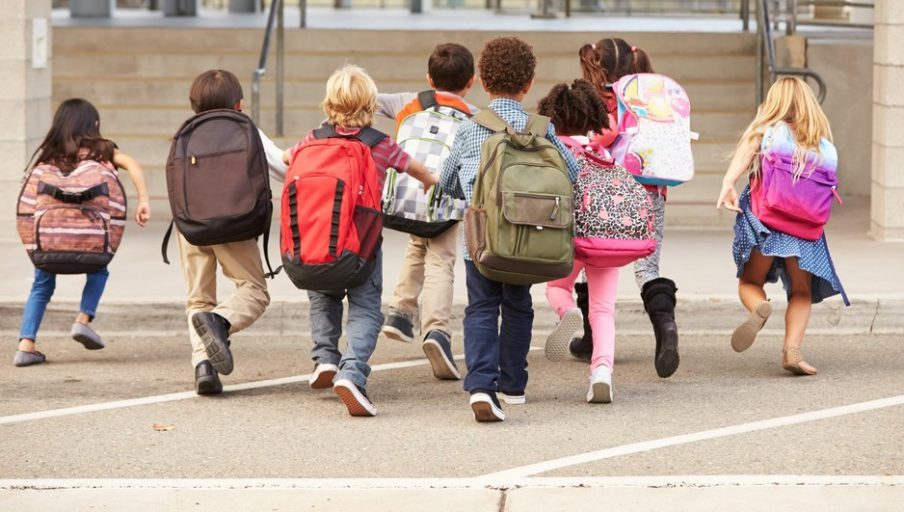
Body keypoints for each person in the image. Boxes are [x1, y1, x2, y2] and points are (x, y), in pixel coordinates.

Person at [284, 64, 437, 417]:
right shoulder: (379, 144)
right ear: (370, 105)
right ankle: (352, 372)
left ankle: (324, 357)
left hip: (317, 242)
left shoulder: (313, 138)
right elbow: (413, 167)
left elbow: (286, 158)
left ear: (329, 104)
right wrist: (429, 180)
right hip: (362, 247)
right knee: (366, 307)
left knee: (323, 296)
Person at [440, 37, 581, 422]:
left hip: (482, 242)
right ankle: (514, 385)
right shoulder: (541, 129)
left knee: (482, 308)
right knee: (518, 306)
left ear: (483, 82)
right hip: (528, 238)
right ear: (528, 84)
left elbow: (447, 180)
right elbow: (574, 175)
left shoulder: (472, 129)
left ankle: (482, 386)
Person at [717, 77, 848, 376]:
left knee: (751, 282)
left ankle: (759, 307)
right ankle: (793, 352)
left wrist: (728, 183)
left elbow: (747, 150)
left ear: (774, 102)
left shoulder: (768, 132)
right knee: (801, 291)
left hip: (767, 221)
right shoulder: (823, 145)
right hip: (806, 228)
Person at [14, 98, 151, 367]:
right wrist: (143, 199)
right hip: (91, 242)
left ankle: (26, 345)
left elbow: (28, 202)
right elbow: (132, 164)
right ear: (94, 124)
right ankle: (83, 319)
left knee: (41, 285)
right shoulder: (102, 151)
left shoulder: (46, 155)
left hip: (50, 241)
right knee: (99, 270)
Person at [175, 69, 286, 395]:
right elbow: (283, 168)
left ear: (193, 103)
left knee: (198, 298)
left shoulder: (186, 133)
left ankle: (203, 366)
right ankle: (220, 322)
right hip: (234, 224)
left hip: (190, 225)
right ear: (239, 103)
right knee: (254, 291)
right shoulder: (245, 129)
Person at [575, 37, 680, 380]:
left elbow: (600, 137)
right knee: (647, 268)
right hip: (650, 190)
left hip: (607, 191)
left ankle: (593, 338)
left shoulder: (600, 100)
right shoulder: (651, 98)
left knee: (593, 259)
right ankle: (665, 326)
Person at [376, 43, 478, 381]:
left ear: (428, 78)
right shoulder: (473, 115)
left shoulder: (408, 102)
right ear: (471, 82)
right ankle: (437, 331)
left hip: (404, 195)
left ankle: (401, 312)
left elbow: (368, 98)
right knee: (441, 261)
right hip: (444, 197)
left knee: (418, 243)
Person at [539, 80, 620, 403]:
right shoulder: (601, 153)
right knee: (603, 310)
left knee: (557, 288)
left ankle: (567, 310)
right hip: (604, 240)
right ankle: (602, 372)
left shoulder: (552, 150)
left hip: (566, 238)